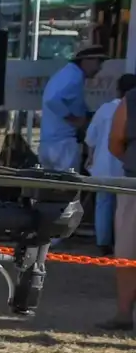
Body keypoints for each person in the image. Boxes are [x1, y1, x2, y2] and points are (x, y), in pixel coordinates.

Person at [85, 73, 136, 254]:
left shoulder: (104, 109)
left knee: (104, 204)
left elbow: (90, 139)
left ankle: (103, 242)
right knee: (122, 209)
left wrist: (90, 158)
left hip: (105, 164)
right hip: (126, 167)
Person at [102, 82, 136, 330]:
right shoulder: (132, 100)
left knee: (128, 249)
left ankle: (124, 313)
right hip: (134, 185)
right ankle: (124, 313)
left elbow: (116, 142)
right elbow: (115, 141)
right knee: (127, 251)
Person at [40, 45, 106, 173]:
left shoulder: (66, 74)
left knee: (52, 187)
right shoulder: (73, 77)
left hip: (50, 143)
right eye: (98, 62)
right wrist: (75, 120)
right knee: (67, 188)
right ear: (86, 60)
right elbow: (52, 100)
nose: (99, 68)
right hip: (63, 144)